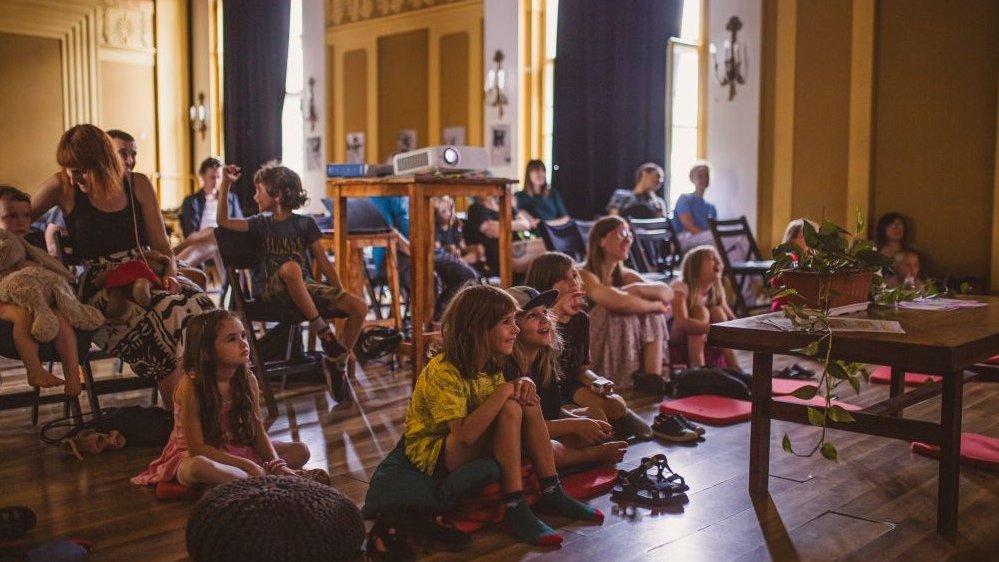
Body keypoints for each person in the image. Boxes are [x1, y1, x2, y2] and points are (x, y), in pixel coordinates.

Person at [403, 284, 603, 547]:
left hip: (472, 440)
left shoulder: (491, 364)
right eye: (507, 322)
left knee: (522, 401)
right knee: (509, 400)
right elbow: (464, 436)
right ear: (479, 329)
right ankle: (515, 506)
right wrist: (505, 390)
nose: (516, 329)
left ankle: (552, 490)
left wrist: (516, 389)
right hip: (437, 452)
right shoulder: (443, 371)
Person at [31, 124, 215, 406]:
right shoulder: (64, 185)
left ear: (102, 162)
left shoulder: (137, 184)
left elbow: (162, 246)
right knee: (164, 322)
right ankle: (183, 421)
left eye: (80, 168)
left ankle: (206, 413)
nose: (73, 174)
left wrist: (173, 277)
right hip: (102, 285)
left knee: (201, 309)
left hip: (148, 271)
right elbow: (16, 216)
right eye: (69, 167)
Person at [216, 162, 367, 399]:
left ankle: (337, 362)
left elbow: (324, 263)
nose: (255, 197)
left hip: (303, 288)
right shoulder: (260, 223)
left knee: (359, 306)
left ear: (276, 196)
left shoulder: (305, 224)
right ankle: (325, 336)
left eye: (259, 191)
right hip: (269, 289)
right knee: (292, 268)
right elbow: (223, 221)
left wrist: (340, 294)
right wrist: (226, 184)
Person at [131, 310, 315, 486]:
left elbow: (257, 430)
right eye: (231, 339)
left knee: (301, 451)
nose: (243, 343)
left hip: (238, 448)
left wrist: (277, 464)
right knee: (198, 467)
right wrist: (248, 465)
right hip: (199, 455)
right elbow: (197, 449)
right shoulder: (191, 385)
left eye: (243, 335)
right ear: (206, 352)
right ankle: (259, 478)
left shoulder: (248, 379)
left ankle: (254, 478)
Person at [524, 252, 653, 440]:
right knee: (597, 414)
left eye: (575, 275)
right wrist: (556, 314)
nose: (573, 282)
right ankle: (597, 428)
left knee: (615, 403)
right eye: (563, 278)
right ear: (546, 283)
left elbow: (580, 369)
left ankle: (611, 423)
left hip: (569, 383)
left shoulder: (580, 319)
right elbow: (542, 364)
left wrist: (597, 381)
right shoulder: (537, 324)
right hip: (545, 387)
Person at [502, 286, 629, 468]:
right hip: (521, 436)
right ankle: (593, 455)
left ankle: (575, 453)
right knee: (548, 448)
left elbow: (552, 410)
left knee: (594, 416)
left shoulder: (543, 360)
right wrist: (574, 426)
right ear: (514, 326)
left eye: (545, 312)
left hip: (543, 427)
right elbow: (525, 430)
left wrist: (582, 423)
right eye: (532, 315)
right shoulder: (507, 367)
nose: (545, 319)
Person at [0, 185, 83, 393]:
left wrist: (34, 268)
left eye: (26, 215)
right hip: (4, 302)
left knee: (61, 319)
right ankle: (34, 369)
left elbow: (49, 268)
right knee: (23, 315)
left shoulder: (34, 241)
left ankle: (73, 375)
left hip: (37, 301)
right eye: (11, 216)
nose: (21, 222)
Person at [579, 216, 672, 392]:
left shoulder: (626, 275)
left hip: (617, 335)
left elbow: (666, 292)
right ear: (601, 240)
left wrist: (636, 289)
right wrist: (653, 305)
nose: (629, 239)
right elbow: (617, 303)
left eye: (629, 234)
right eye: (622, 234)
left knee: (649, 310)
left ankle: (653, 378)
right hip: (590, 346)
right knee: (618, 312)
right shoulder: (584, 274)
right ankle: (625, 379)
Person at [669, 245, 741, 371]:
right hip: (674, 332)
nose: (718, 261)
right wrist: (714, 328)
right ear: (696, 268)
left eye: (718, 258)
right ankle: (698, 368)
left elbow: (731, 318)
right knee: (700, 312)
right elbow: (681, 322)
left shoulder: (715, 289)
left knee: (717, 311)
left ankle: (735, 368)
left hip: (705, 331)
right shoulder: (681, 287)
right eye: (711, 259)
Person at [175, 157, 243, 267]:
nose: (215, 181)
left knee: (215, 232)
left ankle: (177, 259)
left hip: (225, 242)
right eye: (212, 177)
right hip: (200, 240)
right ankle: (180, 263)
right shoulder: (192, 201)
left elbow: (239, 226)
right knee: (213, 234)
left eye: (218, 177)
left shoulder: (231, 199)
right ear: (202, 175)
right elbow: (191, 233)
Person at [464, 195, 546, 274]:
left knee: (550, 249)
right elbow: (491, 230)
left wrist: (502, 226)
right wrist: (517, 224)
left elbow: (525, 224)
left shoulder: (503, 203)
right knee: (548, 244)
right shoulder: (475, 208)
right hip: (501, 255)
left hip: (518, 247)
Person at [432, 196, 479, 319]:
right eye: (443, 211)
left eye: (450, 210)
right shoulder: (435, 228)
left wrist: (475, 248)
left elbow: (462, 246)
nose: (448, 214)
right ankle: (443, 307)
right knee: (469, 277)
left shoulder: (454, 226)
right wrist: (449, 248)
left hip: (457, 259)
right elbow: (436, 247)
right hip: (445, 260)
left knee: (475, 257)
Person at [672, 162, 718, 251]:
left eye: (706, 176)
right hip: (686, 238)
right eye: (700, 176)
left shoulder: (711, 207)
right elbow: (689, 225)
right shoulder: (684, 199)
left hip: (707, 239)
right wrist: (708, 236)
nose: (704, 179)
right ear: (692, 179)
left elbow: (713, 228)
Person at [515, 160, 569, 224]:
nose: (540, 173)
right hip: (532, 232)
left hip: (553, 230)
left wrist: (546, 224)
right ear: (528, 174)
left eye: (543, 170)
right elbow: (517, 214)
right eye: (536, 170)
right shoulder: (519, 196)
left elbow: (566, 218)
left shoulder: (552, 193)